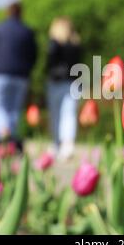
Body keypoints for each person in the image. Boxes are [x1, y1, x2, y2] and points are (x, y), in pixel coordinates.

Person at [0, 2, 36, 151]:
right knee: (14, 109)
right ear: (21, 13)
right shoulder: (27, 31)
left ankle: (4, 132)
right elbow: (34, 54)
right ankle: (12, 138)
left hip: (0, 73)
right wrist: (27, 69)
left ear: (7, 12)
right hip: (21, 75)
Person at [46, 17, 81, 160]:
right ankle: (68, 145)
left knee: (57, 115)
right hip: (73, 82)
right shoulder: (76, 44)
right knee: (69, 114)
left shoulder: (54, 44)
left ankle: (57, 144)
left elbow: (49, 62)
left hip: (57, 82)